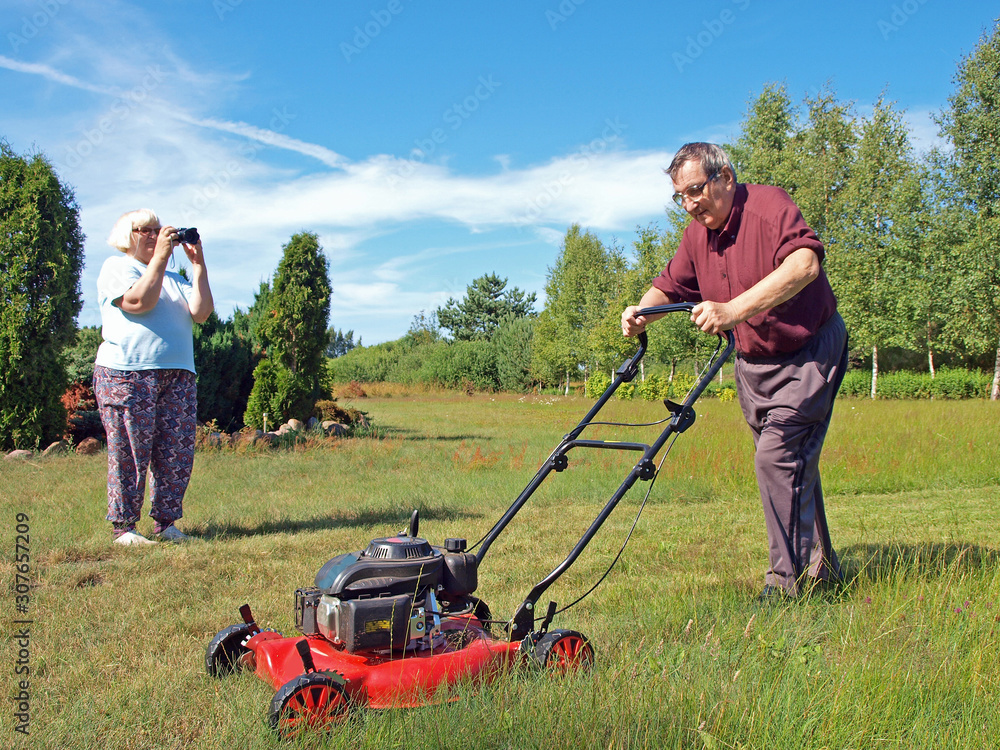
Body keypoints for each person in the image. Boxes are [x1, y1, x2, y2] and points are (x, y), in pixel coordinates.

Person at [621, 143, 848, 599]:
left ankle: (786, 584)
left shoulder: (768, 206)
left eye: (695, 190)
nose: (689, 204)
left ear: (725, 176)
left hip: (808, 353)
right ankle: (822, 572)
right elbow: (670, 286)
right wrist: (641, 312)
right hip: (754, 365)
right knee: (789, 465)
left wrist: (731, 310)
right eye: (680, 197)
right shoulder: (696, 236)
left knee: (777, 458)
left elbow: (805, 264)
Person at [94, 209, 214, 546]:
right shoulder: (116, 267)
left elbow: (201, 313)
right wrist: (160, 257)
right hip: (127, 373)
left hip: (178, 375)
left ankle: (166, 523)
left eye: (158, 230)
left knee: (175, 453)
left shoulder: (175, 277)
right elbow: (138, 302)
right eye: (144, 229)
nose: (153, 235)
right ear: (126, 235)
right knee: (130, 450)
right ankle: (124, 528)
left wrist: (198, 264)